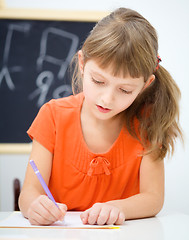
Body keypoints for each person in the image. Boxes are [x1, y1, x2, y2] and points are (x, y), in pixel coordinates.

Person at [19, 7, 182, 226]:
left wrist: (117, 208)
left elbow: (153, 199)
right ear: (82, 64)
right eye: (98, 81)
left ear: (146, 85)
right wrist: (35, 206)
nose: (107, 99)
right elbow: (29, 193)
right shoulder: (53, 115)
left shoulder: (148, 124)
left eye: (125, 90)